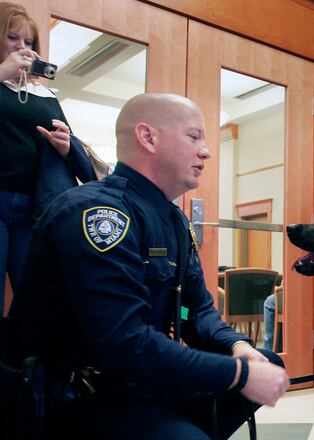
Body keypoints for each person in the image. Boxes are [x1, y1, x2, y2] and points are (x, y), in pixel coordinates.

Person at [7, 93, 289, 439]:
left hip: (141, 381)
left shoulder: (173, 220)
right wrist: (238, 374)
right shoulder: (96, 213)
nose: (206, 151)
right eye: (194, 136)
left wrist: (237, 347)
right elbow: (125, 345)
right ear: (148, 137)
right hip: (80, 394)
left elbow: (197, 311)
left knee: (267, 362)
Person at [0, 1, 94, 314]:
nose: (22, 48)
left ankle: (20, 363)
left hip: (33, 208)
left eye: (28, 42)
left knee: (32, 294)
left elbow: (73, 147)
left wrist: (66, 146)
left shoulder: (45, 95)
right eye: (13, 38)